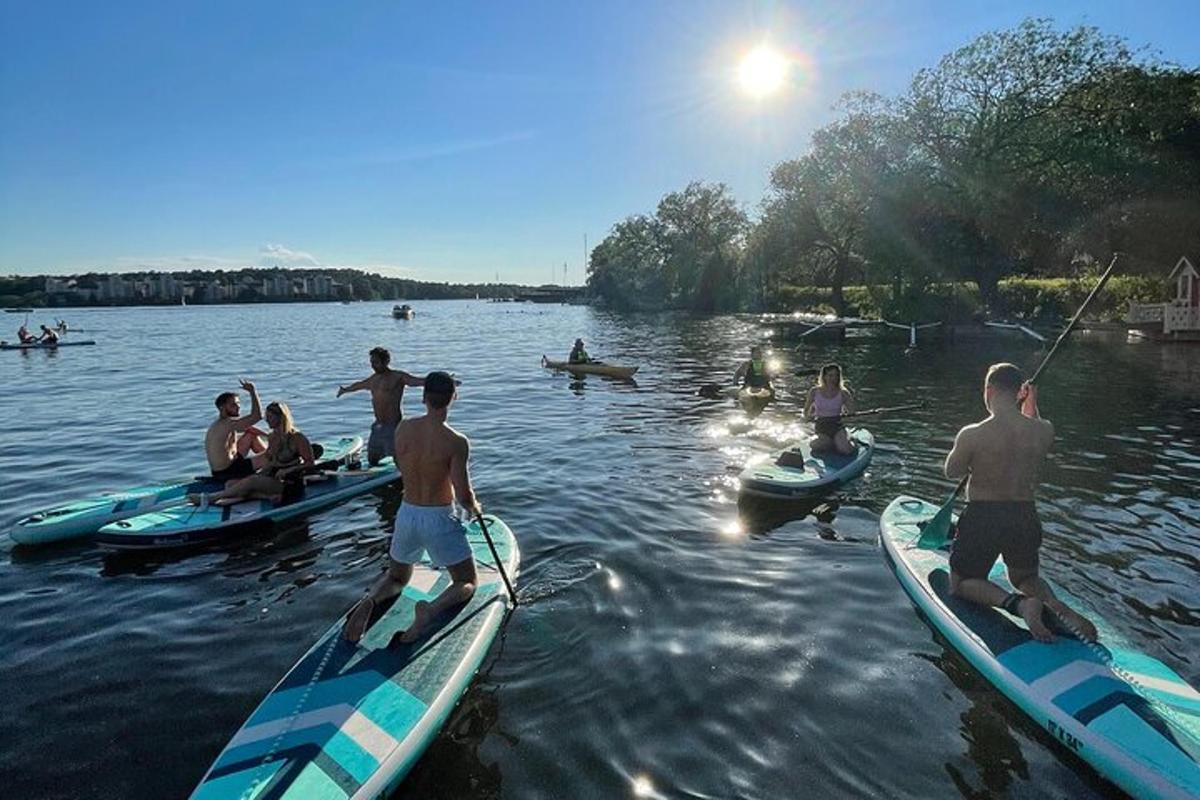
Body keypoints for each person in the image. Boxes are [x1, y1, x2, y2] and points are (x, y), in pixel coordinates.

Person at [944, 363, 1098, 643]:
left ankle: (1019, 605)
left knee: (960, 583)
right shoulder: (1042, 431)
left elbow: (952, 471)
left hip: (984, 516)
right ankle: (1054, 605)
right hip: (1024, 515)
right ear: (1020, 393)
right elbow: (1033, 430)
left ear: (988, 390)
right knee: (1025, 576)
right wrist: (1032, 402)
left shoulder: (973, 433)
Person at [343, 371, 480, 645]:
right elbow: (463, 495)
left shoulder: (403, 428)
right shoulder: (456, 441)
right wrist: (475, 507)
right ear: (453, 398)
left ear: (423, 397)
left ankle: (370, 601)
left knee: (397, 576)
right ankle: (430, 609)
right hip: (438, 516)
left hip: (406, 512)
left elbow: (402, 466)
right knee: (466, 581)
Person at [194, 401, 316, 506]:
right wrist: (259, 475)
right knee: (231, 483)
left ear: (280, 417)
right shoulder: (273, 437)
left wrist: (288, 470)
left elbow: (310, 463)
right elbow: (271, 462)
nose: (266, 419)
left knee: (252, 482)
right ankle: (261, 496)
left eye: (270, 417)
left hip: (290, 483)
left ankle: (211, 498)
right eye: (266, 416)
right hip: (274, 478)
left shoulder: (297, 438)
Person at [336, 347, 426, 466]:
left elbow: (418, 381)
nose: (373, 365)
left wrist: (443, 381)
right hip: (378, 427)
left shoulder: (398, 377)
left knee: (398, 460)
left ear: (386, 361)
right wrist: (345, 390)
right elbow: (359, 385)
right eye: (372, 362)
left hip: (393, 426)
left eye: (376, 362)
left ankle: (406, 478)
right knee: (372, 460)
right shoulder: (374, 379)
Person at [205, 380, 268, 480]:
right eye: (233, 405)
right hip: (228, 472)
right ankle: (273, 461)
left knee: (250, 435)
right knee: (273, 452)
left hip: (224, 467)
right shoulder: (227, 424)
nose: (238, 407)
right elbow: (258, 416)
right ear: (222, 408)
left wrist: (269, 436)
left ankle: (270, 462)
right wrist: (252, 391)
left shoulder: (223, 423)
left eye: (238, 404)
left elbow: (249, 428)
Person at [804, 363, 856, 454]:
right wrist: (808, 416)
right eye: (830, 375)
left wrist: (847, 415)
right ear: (824, 377)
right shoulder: (814, 391)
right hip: (821, 426)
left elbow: (852, 413)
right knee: (814, 446)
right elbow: (806, 411)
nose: (834, 379)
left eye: (836, 375)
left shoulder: (844, 393)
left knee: (845, 450)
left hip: (837, 426)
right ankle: (834, 442)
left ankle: (851, 441)